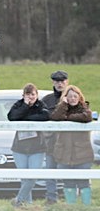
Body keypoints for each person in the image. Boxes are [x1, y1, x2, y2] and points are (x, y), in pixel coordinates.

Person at [7, 83, 50, 207]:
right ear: (23, 95)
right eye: (28, 94)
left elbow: (46, 116)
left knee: (32, 176)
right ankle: (28, 204)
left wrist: (26, 119)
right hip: (19, 148)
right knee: (24, 178)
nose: (30, 97)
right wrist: (25, 106)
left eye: (33, 94)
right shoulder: (19, 104)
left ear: (37, 95)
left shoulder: (40, 105)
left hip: (37, 147)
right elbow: (12, 117)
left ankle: (19, 201)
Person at [50, 85, 93, 205]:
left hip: (82, 153)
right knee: (68, 182)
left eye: (75, 96)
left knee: (83, 182)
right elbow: (55, 117)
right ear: (65, 98)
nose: (73, 98)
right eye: (70, 96)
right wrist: (63, 105)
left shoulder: (84, 109)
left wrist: (67, 118)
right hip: (64, 152)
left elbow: (87, 117)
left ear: (79, 97)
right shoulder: (61, 109)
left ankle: (86, 207)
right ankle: (71, 206)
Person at [40, 70, 69, 204]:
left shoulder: (73, 98)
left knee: (68, 173)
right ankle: (51, 199)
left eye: (62, 81)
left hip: (68, 143)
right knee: (50, 172)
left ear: (66, 82)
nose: (59, 84)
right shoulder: (47, 100)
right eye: (57, 81)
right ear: (53, 82)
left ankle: (70, 199)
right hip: (51, 143)